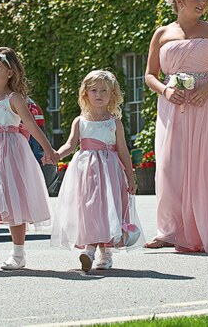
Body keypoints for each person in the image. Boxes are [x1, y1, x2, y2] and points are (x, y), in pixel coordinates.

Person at [144, 0, 208, 253]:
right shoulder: (161, 34)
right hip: (173, 105)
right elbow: (150, 75)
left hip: (207, 104)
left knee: (207, 166)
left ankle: (202, 230)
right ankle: (169, 230)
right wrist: (165, 91)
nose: (202, 2)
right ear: (179, 1)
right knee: (170, 167)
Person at [0, 47, 57, 270]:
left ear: (10, 73)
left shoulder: (13, 98)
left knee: (14, 200)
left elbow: (32, 127)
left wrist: (49, 151)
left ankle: (18, 253)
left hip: (11, 154)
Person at [50, 70, 139, 272]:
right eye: (94, 90)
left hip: (110, 172)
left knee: (109, 209)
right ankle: (89, 250)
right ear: (85, 94)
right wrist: (56, 155)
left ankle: (106, 254)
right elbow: (70, 145)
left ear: (112, 95)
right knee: (88, 209)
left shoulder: (114, 123)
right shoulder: (80, 121)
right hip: (86, 173)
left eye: (104, 91)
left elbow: (123, 150)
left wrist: (130, 176)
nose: (99, 95)